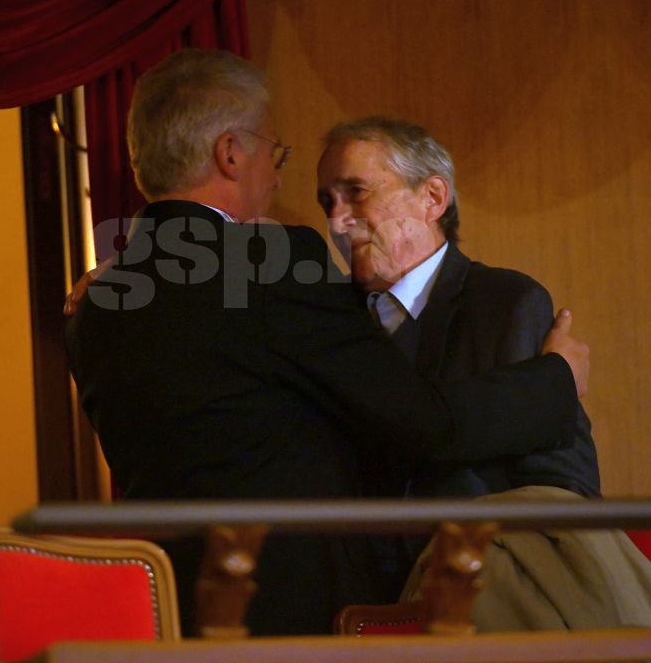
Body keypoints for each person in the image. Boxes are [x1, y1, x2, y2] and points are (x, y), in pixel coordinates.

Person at [65, 48, 589, 637]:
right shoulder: (270, 261)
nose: (277, 173)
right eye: (274, 151)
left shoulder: (96, 304)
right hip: (303, 616)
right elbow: (428, 424)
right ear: (232, 153)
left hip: (165, 614)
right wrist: (558, 377)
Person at [316, 116, 651, 630]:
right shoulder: (320, 321)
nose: (337, 220)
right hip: (344, 610)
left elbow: (563, 485)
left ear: (433, 197)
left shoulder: (506, 304)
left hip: (480, 609)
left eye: (356, 192)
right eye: (328, 201)